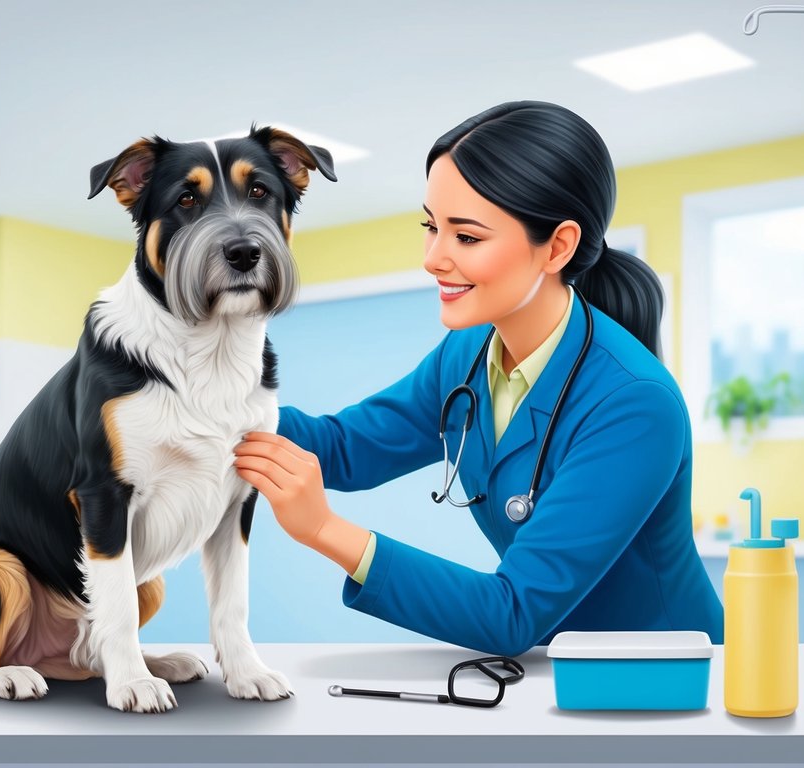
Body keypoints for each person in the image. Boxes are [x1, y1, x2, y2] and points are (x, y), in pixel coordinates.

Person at [232, 100, 724, 657]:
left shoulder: (636, 405)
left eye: (466, 237)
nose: (434, 258)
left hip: (663, 674)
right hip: (552, 667)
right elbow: (344, 448)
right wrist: (209, 409)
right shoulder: (466, 355)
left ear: (557, 246)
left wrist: (324, 530)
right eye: (431, 227)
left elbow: (510, 614)